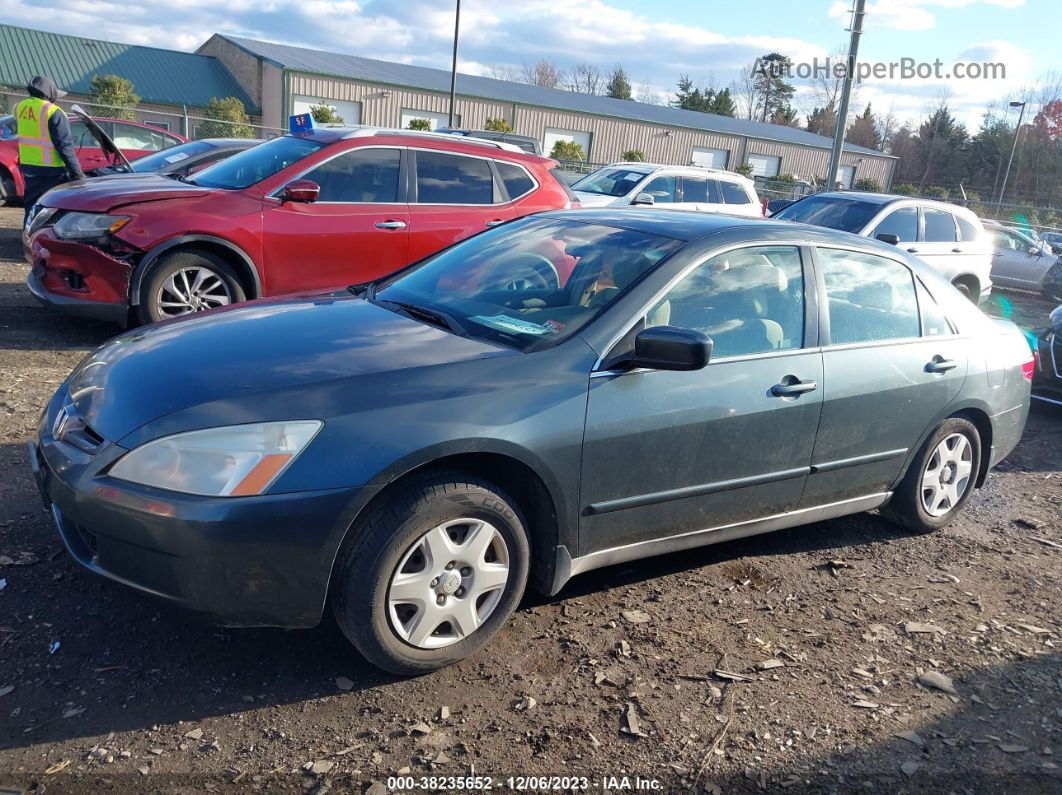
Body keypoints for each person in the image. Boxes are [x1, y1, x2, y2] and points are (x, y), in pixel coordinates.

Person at [16, 75, 84, 222]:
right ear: (50, 93)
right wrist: (77, 173)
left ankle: (27, 237)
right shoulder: (54, 112)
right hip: (52, 171)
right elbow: (64, 145)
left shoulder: (20, 107)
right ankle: (47, 241)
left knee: (31, 208)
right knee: (53, 211)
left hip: (29, 169)